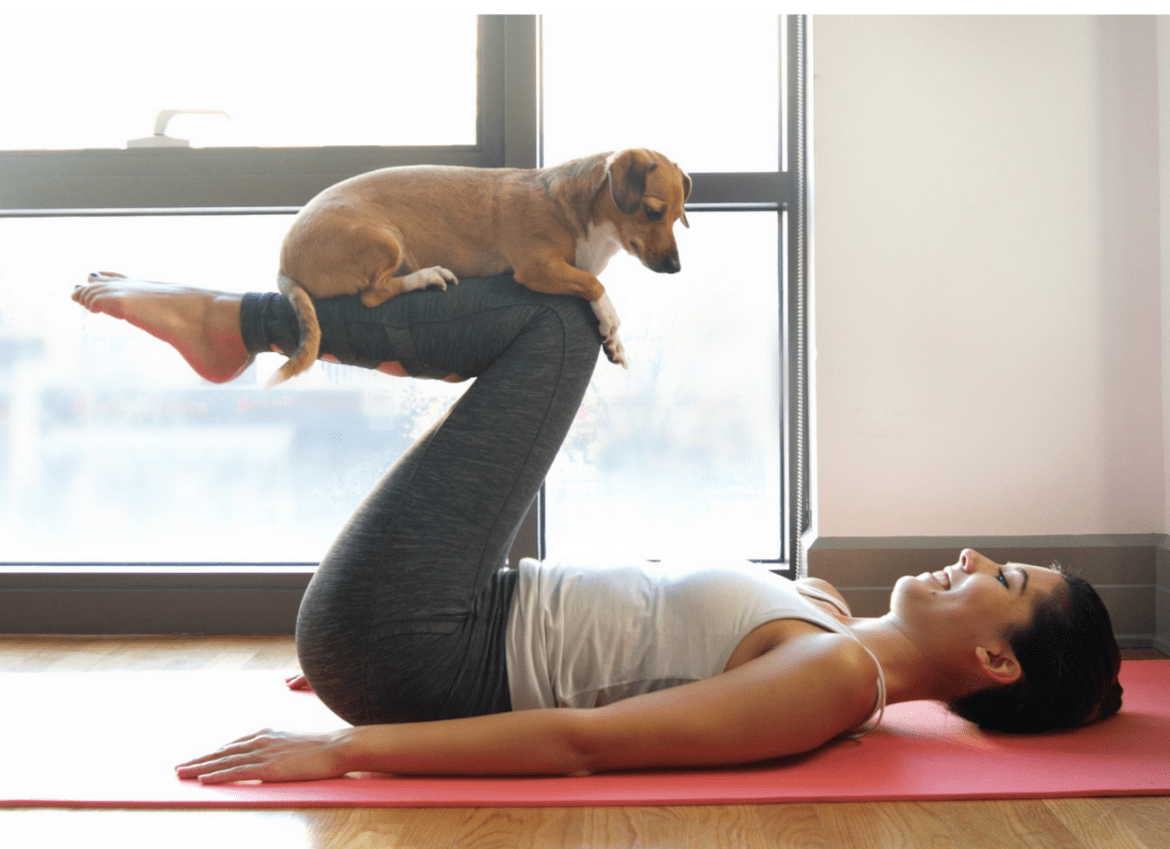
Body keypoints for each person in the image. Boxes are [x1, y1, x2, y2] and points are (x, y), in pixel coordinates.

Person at [70, 271, 1123, 785]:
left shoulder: (838, 679)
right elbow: (621, 634)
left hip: (428, 645)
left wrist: (352, 747)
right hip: (436, 624)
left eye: (1007, 582)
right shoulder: (827, 616)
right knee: (555, 321)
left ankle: (241, 324)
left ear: (997, 661)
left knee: (562, 322)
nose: (974, 557)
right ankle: (242, 325)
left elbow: (587, 740)